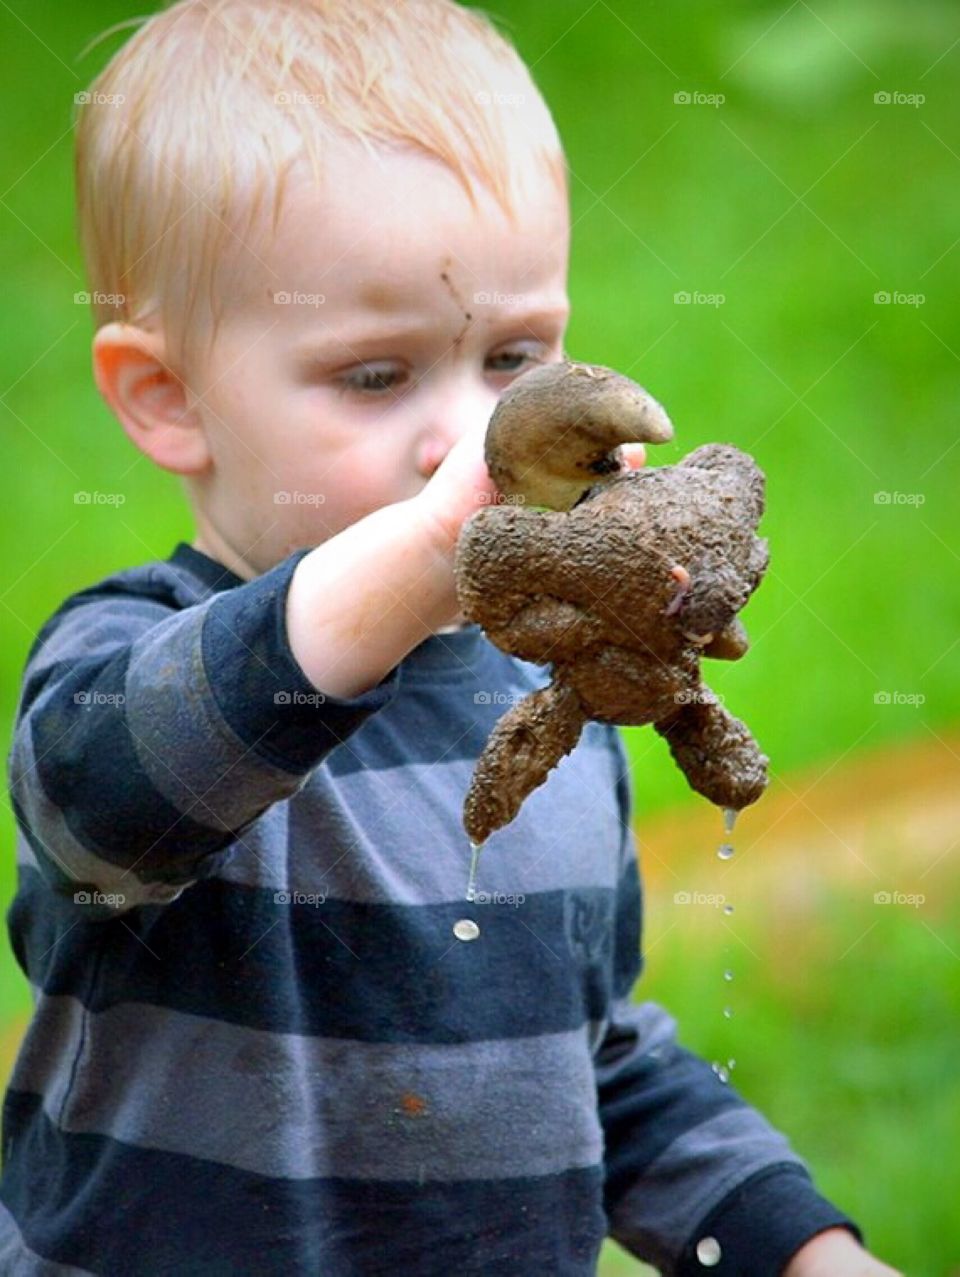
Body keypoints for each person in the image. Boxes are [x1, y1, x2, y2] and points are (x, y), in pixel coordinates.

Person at [1, 2, 901, 1273]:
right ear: (171, 397)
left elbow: (587, 1059)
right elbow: (98, 806)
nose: (475, 438)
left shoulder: (551, 700)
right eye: (377, 376)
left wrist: (799, 1245)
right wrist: (426, 549)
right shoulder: (136, 653)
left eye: (517, 357)